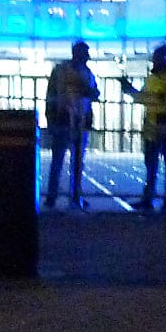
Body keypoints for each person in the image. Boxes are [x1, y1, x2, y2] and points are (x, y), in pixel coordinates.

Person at [121, 45, 166, 212]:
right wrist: (130, 90)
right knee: (151, 164)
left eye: (158, 57)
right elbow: (145, 98)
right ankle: (149, 198)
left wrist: (136, 94)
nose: (155, 60)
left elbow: (162, 99)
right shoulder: (152, 78)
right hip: (153, 125)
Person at [43, 41, 100, 210]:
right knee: (58, 160)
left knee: (76, 162)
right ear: (77, 53)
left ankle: (75, 195)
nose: (87, 57)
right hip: (63, 120)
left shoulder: (87, 73)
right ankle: (54, 196)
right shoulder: (61, 71)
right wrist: (51, 118)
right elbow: (51, 95)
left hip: (80, 121)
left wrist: (90, 93)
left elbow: (95, 93)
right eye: (85, 53)